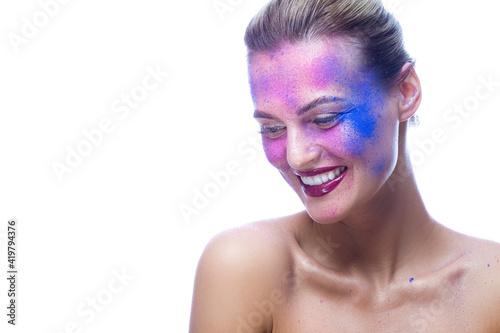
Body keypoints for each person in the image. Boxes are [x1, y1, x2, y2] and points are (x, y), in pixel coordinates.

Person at [189, 0, 500, 331]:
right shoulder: (244, 267)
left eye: (324, 119)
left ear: (406, 93)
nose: (296, 156)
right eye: (273, 128)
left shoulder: (490, 290)